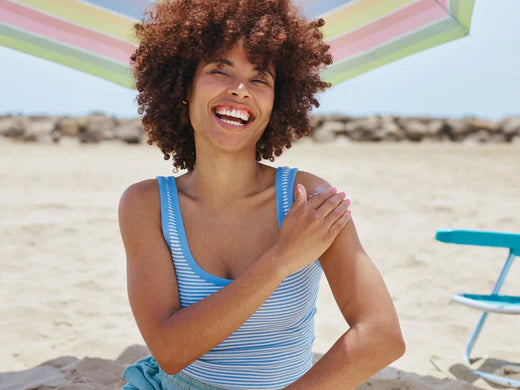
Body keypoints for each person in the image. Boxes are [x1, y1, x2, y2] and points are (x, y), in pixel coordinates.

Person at [118, 0, 405, 389]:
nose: (240, 91)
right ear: (183, 87)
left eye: (260, 79)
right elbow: (169, 352)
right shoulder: (146, 205)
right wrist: (280, 261)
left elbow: (382, 336)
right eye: (220, 70)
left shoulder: (308, 198)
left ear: (277, 103)